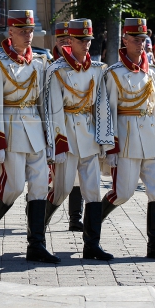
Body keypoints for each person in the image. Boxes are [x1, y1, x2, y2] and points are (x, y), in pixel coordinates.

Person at [0, 9, 60, 264]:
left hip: (35, 130)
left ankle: (36, 243)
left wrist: (51, 138)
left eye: (30, 31)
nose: (28, 36)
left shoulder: (40, 63)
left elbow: (45, 103)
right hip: (11, 131)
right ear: (10, 33)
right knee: (13, 186)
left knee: (39, 186)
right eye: (22, 31)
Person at [98, 18, 155, 261]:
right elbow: (107, 111)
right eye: (135, 39)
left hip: (150, 139)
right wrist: (109, 146)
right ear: (124, 40)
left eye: (143, 39)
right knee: (123, 193)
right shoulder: (113, 73)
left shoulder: (153, 74)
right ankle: (92, 224)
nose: (140, 44)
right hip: (127, 141)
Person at [44, 18, 114, 260]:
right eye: (81, 40)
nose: (86, 45)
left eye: (89, 40)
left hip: (89, 136)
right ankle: (37, 231)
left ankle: (91, 245)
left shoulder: (97, 69)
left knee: (93, 191)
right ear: (70, 41)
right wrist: (57, 142)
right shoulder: (56, 70)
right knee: (61, 190)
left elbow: (102, 106)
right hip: (67, 137)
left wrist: (106, 141)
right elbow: (52, 109)